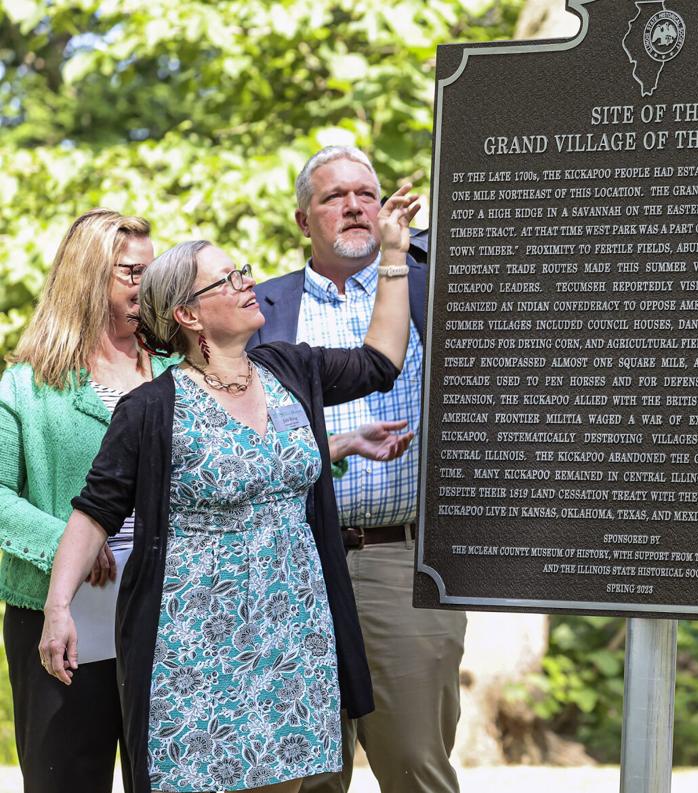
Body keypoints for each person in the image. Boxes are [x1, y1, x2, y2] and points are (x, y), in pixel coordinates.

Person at [37, 183, 420, 793]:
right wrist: (58, 609)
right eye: (226, 279)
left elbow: (380, 360)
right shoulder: (149, 409)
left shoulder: (290, 369)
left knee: (287, 783)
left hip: (295, 628)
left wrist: (394, 254)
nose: (247, 282)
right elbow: (94, 512)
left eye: (241, 271)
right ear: (188, 314)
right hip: (194, 641)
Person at [250, 146, 466, 793]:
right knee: (303, 770)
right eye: (332, 196)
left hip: (402, 565)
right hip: (293, 563)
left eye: (365, 194)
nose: (352, 206)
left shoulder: (436, 287)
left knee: (414, 765)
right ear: (301, 220)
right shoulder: (260, 308)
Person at [0, 208, 160, 792]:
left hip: (172, 616)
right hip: (60, 620)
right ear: (89, 279)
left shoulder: (179, 371)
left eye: (153, 269)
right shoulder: (26, 384)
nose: (150, 282)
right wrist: (69, 547)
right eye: (132, 272)